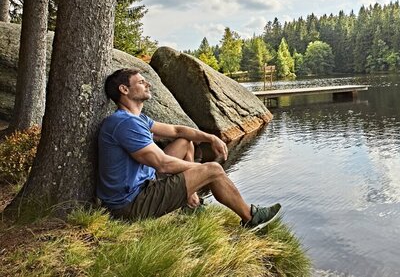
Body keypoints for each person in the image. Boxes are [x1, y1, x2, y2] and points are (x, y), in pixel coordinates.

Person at [97, 68, 280, 230]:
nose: (149, 84)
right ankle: (250, 217)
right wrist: (204, 172)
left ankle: (191, 200)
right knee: (214, 170)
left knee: (185, 141)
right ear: (124, 89)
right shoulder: (125, 123)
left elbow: (177, 130)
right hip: (129, 205)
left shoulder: (137, 119)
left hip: (142, 186)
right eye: (141, 82)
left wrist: (211, 137)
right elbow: (163, 164)